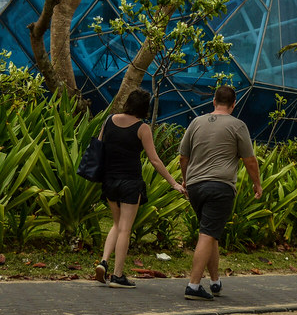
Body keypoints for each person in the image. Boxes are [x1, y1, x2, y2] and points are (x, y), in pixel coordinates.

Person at [95, 88, 187, 288]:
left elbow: (99, 146)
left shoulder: (109, 120)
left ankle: (103, 262)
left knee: (116, 224)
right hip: (130, 182)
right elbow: (154, 160)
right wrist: (173, 183)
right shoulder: (142, 128)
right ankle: (118, 275)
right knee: (125, 229)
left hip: (109, 180)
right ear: (145, 107)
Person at [178, 85, 262, 300]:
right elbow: (249, 160)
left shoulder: (196, 122)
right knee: (207, 234)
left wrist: (187, 180)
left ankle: (215, 282)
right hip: (220, 187)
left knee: (210, 233)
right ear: (233, 105)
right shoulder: (238, 125)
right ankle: (193, 286)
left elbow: (183, 156)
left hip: (196, 186)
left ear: (213, 101)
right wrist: (257, 184)